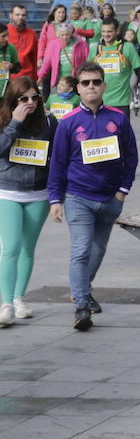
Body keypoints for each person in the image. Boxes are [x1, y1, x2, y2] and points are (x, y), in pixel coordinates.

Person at [47, 61, 139, 331]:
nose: (91, 87)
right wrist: (55, 200)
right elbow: (58, 164)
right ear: (78, 88)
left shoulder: (118, 119)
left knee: (98, 251)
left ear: (104, 86)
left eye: (96, 82)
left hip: (110, 199)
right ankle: (82, 306)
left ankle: (83, 290)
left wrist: (123, 191)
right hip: (78, 197)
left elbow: (131, 157)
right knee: (81, 250)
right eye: (85, 83)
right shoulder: (68, 123)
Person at [0, 76, 53, 327]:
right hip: (7, 191)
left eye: (35, 97)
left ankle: (20, 298)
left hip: (38, 192)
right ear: (13, 100)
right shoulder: (4, 121)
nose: (30, 103)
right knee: (10, 247)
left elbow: (58, 155)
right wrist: (15, 124)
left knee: (27, 248)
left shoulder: (49, 122)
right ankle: (6, 303)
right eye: (23, 98)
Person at [91, 19, 140, 112]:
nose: (106, 34)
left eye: (109, 31)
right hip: (98, 102)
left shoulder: (128, 47)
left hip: (121, 103)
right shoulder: (95, 49)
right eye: (103, 31)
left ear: (117, 31)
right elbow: (87, 73)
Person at [37, 22, 88, 97]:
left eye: (67, 34)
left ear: (71, 34)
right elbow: (47, 63)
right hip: (59, 81)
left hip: (75, 80)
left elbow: (87, 60)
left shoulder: (81, 43)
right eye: (62, 35)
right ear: (58, 35)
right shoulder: (53, 44)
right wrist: (40, 76)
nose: (64, 37)